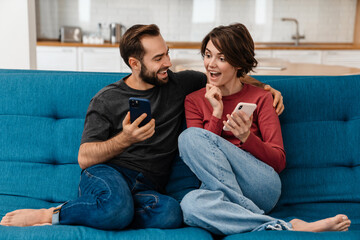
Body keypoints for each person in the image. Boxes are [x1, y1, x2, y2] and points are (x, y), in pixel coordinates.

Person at [0, 24, 283, 230]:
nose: (168, 63)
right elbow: (84, 158)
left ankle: (114, 210)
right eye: (158, 58)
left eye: (167, 54)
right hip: (108, 172)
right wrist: (125, 138)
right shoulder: (107, 98)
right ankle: (52, 214)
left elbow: (229, 77)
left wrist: (268, 90)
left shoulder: (179, 84)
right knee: (115, 206)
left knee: (172, 213)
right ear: (135, 63)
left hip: (148, 186)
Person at [178, 23, 351, 235]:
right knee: (190, 205)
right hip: (216, 189)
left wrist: (246, 137)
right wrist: (216, 114)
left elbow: (278, 161)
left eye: (221, 58)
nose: (211, 64)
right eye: (207, 55)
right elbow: (198, 155)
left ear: (238, 63)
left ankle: (239, 214)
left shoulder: (261, 98)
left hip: (260, 185)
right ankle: (282, 225)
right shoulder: (194, 100)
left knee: (190, 137)